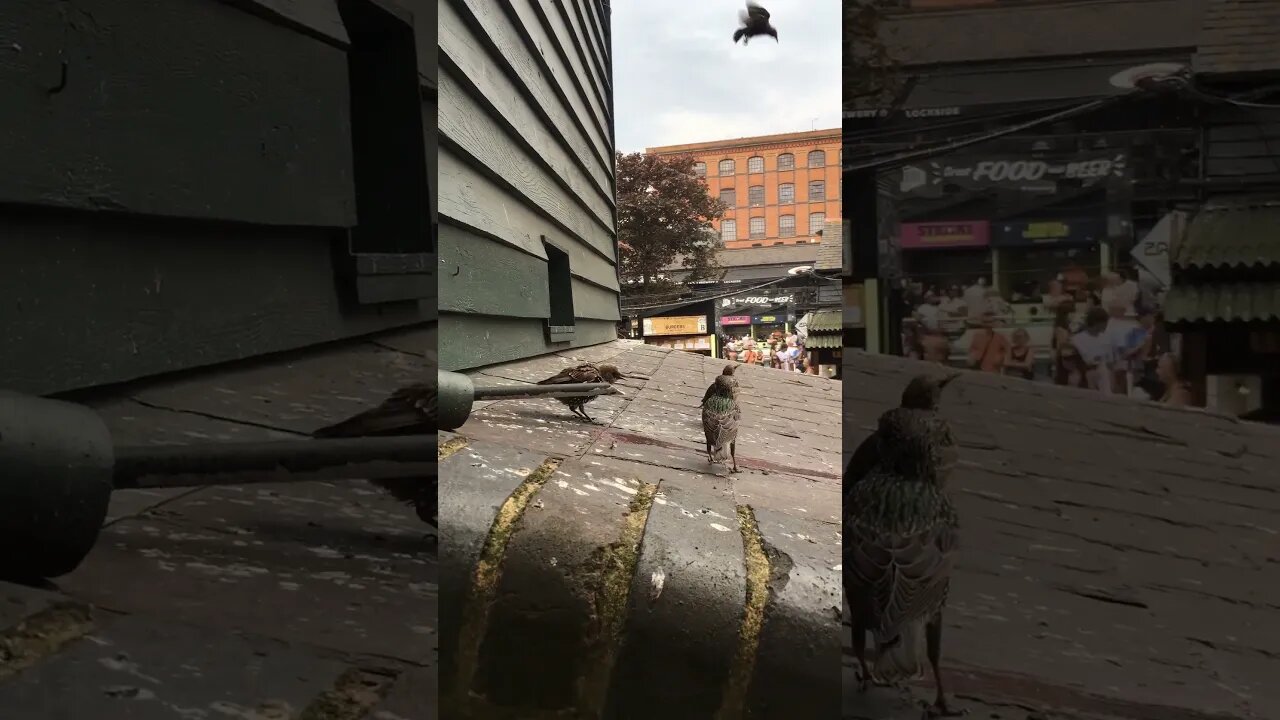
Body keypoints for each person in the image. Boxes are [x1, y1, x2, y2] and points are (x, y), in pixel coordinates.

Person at [1071, 308, 1118, 393]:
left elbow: (1110, 362)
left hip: (1105, 378)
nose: (1106, 326)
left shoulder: (1106, 338)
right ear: (1097, 322)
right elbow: (1086, 360)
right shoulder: (1078, 339)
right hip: (1086, 377)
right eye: (1105, 323)